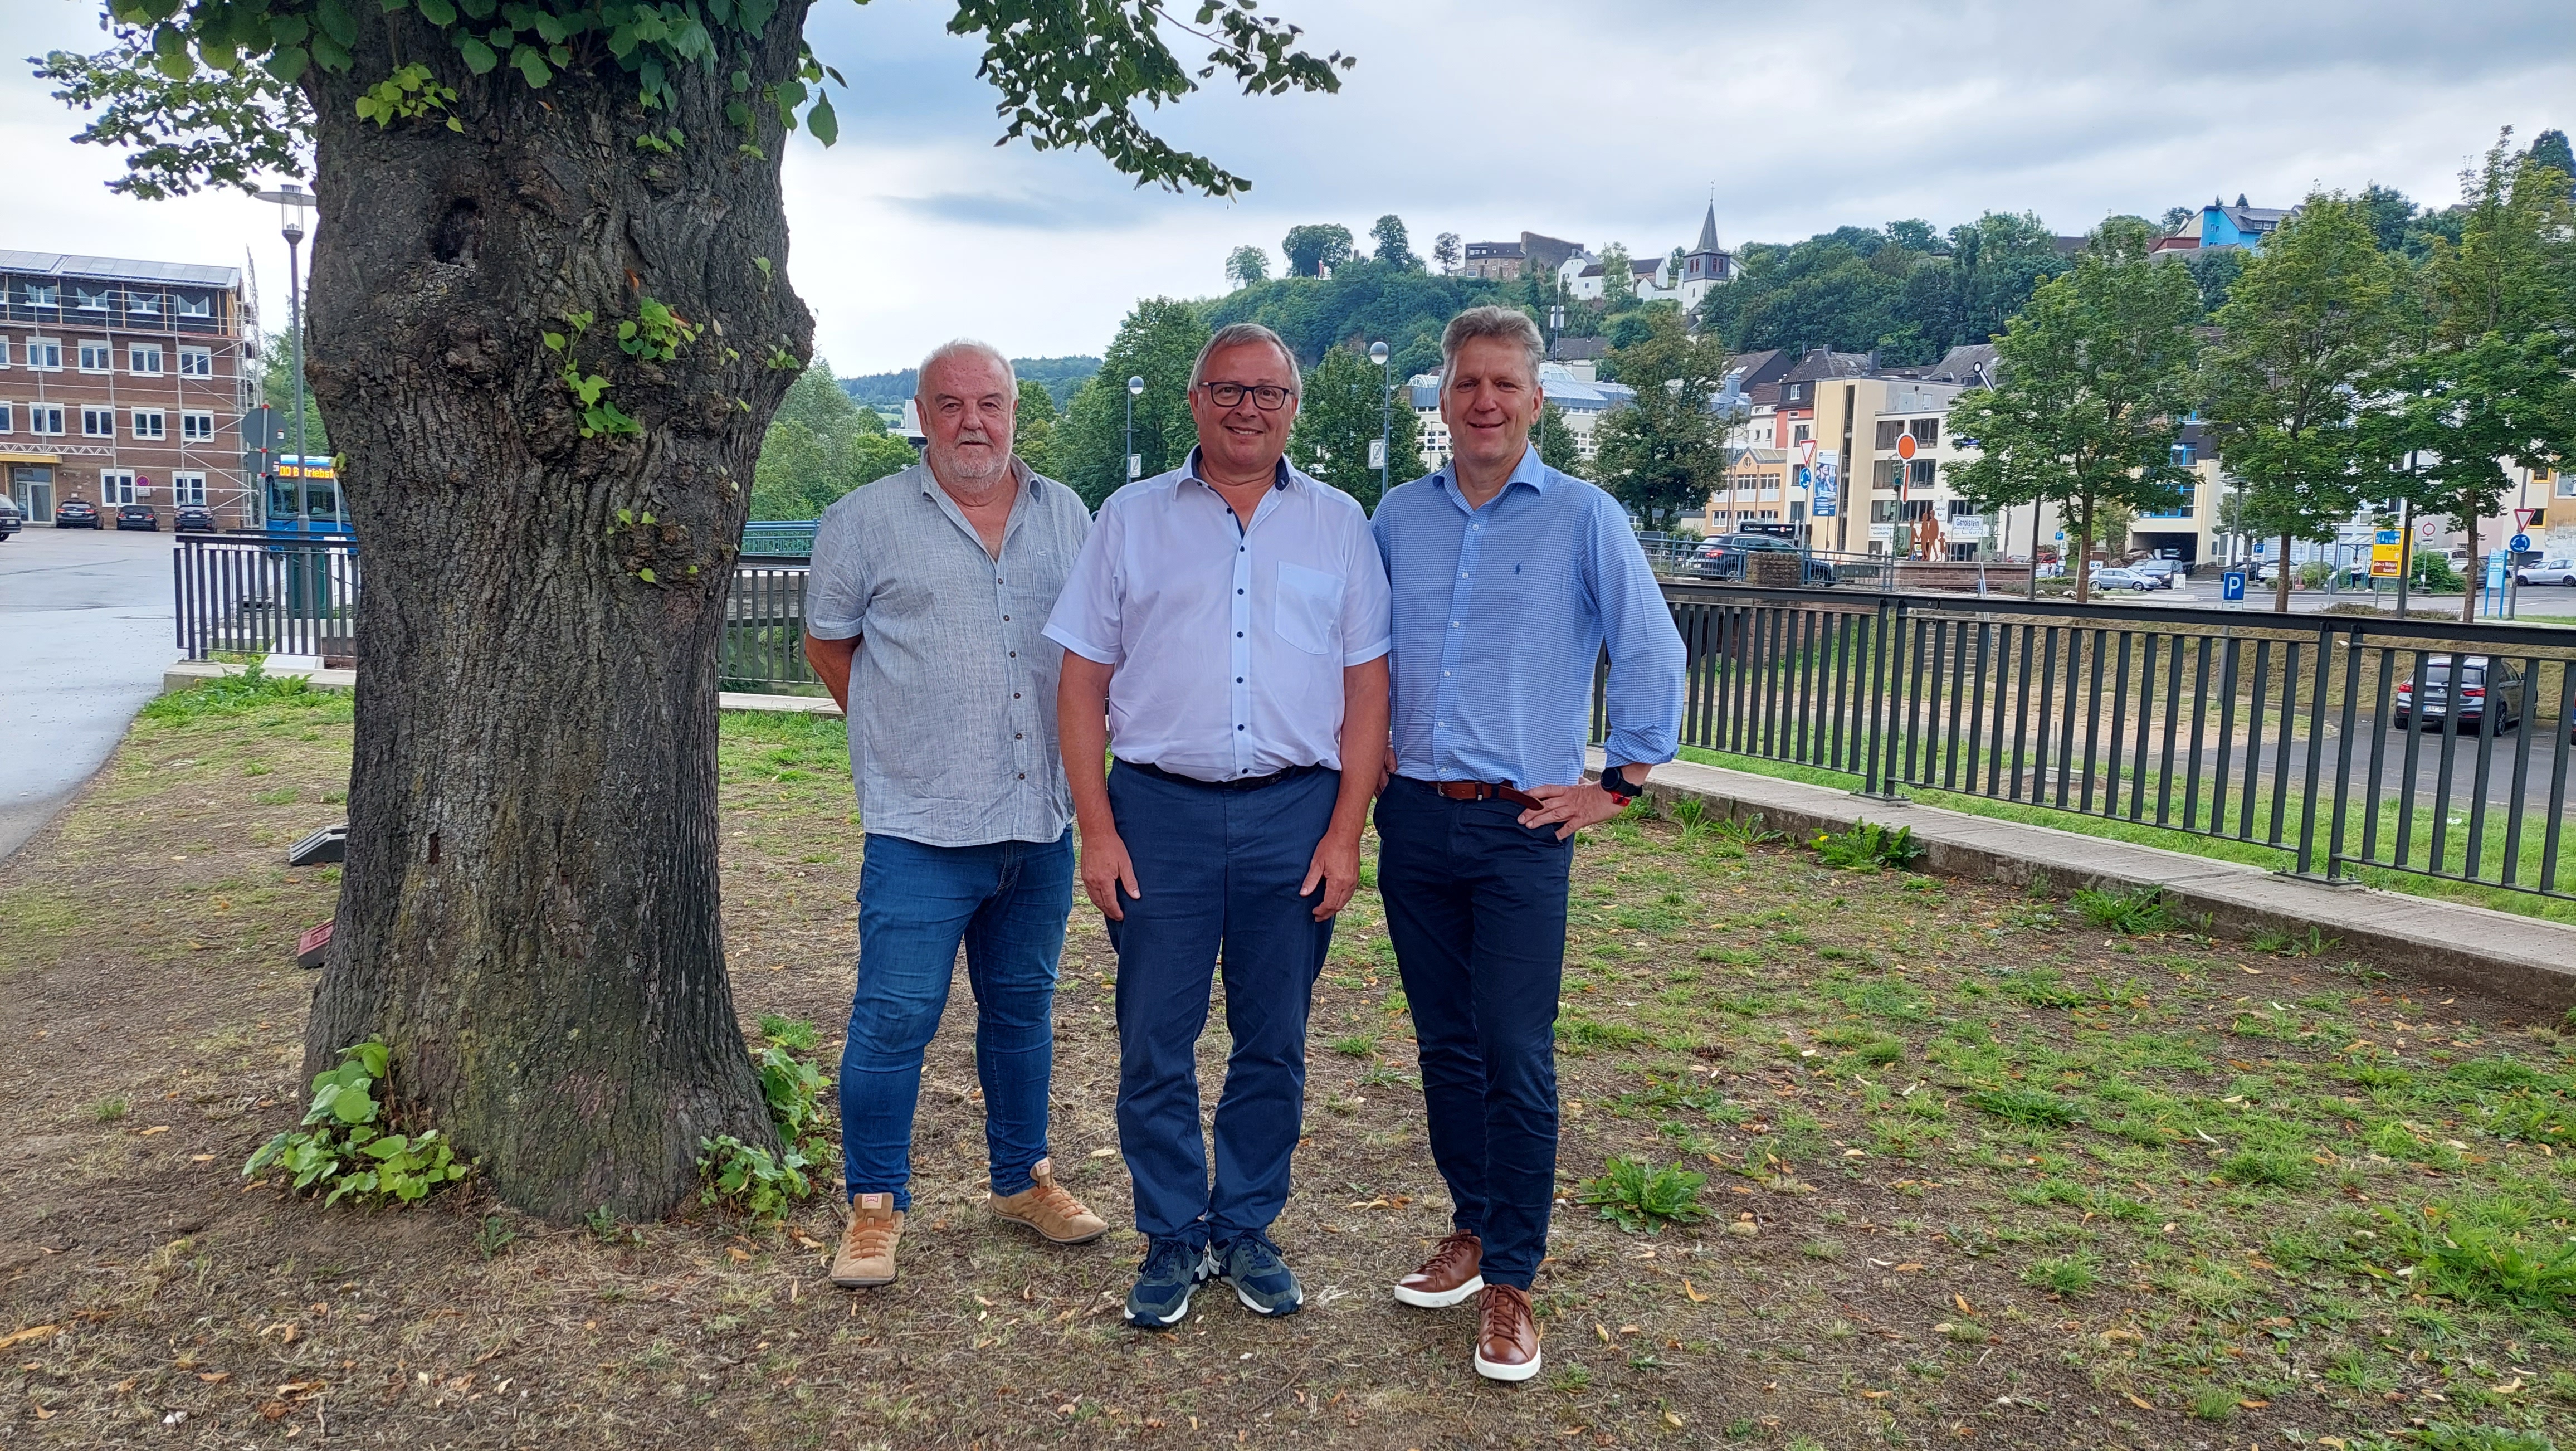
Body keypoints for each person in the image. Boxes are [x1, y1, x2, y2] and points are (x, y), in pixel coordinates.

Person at [1045, 322, 1392, 1330]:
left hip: (1295, 813)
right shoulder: (1130, 518)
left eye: (1268, 393)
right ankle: (1170, 1233)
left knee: (1273, 1040)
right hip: (1158, 813)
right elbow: (1081, 684)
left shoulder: (1338, 524)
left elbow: (1366, 690)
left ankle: (1244, 1223)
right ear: (1194, 401)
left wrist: (1345, 833)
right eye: (1227, 390)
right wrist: (1097, 832)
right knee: (1154, 1038)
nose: (1248, 408)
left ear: (1294, 408)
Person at [1368, 305, 1685, 1381]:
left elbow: (1651, 647)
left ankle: (1512, 1279)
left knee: (1513, 1047)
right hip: (1411, 814)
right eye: (1468, 384)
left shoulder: (1586, 517)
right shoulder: (1396, 518)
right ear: (1443, 398)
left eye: (1506, 384)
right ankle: (1470, 1225)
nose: (1487, 402)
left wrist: (1623, 782)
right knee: (1444, 1046)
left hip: (1521, 825)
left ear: (1536, 400)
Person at [804, 340, 1108, 1291]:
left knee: (1022, 1011)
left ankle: (1022, 1181)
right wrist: (901, 735)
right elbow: (828, 644)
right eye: (949, 404)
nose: (971, 421)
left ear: (1017, 411)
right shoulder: (864, 521)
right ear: (920, 415)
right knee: (894, 1018)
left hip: (1040, 820)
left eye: (990, 402)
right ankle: (874, 1205)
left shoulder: (1070, 516)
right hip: (921, 830)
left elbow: (1099, 648)